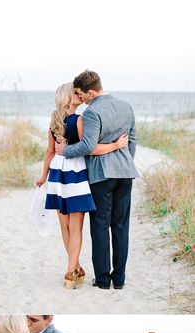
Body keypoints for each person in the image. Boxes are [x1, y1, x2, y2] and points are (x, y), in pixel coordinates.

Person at [37, 83, 129, 287]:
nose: (78, 94)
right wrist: (116, 145)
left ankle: (76, 266)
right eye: (75, 93)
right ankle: (70, 271)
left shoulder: (54, 121)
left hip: (56, 174)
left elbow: (50, 152)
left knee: (65, 226)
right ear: (69, 98)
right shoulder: (79, 120)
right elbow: (89, 148)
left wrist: (43, 176)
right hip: (75, 174)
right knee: (75, 227)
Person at [56, 70, 138, 290]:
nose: (80, 99)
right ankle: (119, 280)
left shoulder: (92, 112)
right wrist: (124, 161)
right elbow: (133, 141)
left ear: (91, 92)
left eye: (82, 95)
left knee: (100, 227)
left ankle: (103, 280)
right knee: (120, 227)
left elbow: (87, 146)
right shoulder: (125, 106)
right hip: (125, 172)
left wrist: (65, 150)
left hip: (101, 176)